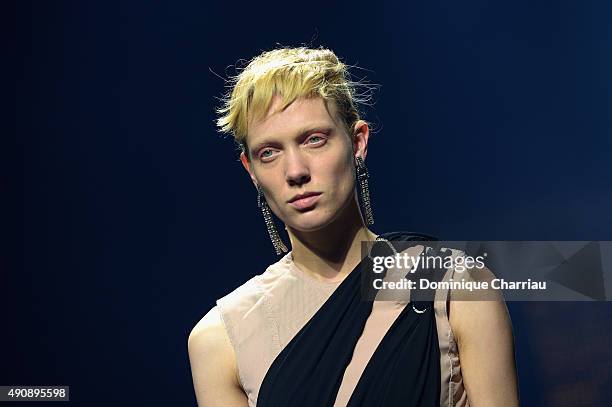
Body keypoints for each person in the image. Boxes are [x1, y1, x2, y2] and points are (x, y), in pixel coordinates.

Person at [188, 46, 519, 406]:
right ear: (251, 170)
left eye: (314, 139)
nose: (295, 171)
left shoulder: (456, 284)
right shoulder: (221, 339)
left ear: (357, 141)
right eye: (269, 152)